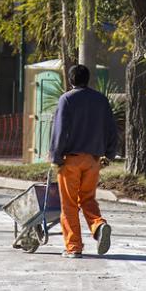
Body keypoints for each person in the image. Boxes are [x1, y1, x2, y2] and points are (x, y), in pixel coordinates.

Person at [49, 64, 118, 258]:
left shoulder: (66, 99)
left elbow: (60, 131)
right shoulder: (101, 100)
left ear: (71, 79)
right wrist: (109, 154)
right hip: (93, 160)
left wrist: (55, 157)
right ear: (87, 79)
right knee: (87, 199)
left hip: (70, 160)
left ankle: (73, 247)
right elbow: (112, 129)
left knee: (69, 204)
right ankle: (99, 225)